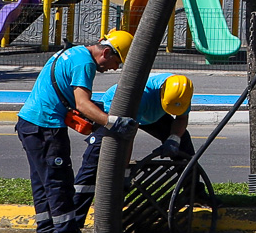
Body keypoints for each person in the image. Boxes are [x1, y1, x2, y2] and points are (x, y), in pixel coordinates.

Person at [16, 31, 133, 233]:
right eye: (116, 62)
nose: (114, 68)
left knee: (43, 185)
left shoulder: (71, 53)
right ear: (106, 52)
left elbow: (67, 95)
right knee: (59, 184)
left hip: (29, 124)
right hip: (46, 128)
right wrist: (112, 123)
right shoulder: (86, 64)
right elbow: (82, 104)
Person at [72, 73, 197, 222]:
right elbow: (127, 137)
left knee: (183, 143)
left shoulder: (181, 92)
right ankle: (75, 218)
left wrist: (174, 139)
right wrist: (124, 173)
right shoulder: (140, 96)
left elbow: (182, 118)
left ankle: (195, 193)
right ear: (162, 92)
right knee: (93, 162)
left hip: (152, 113)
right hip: (118, 112)